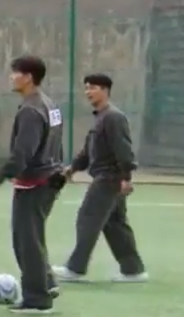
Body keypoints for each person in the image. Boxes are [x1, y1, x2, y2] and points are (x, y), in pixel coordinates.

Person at [0, 55, 65, 314]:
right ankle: (47, 283)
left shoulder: (30, 110)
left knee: (26, 241)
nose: (11, 77)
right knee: (34, 237)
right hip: (50, 178)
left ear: (28, 77)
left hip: (35, 183)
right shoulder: (50, 104)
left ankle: (37, 298)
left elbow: (22, 154)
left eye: (15, 72)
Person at [53, 73, 148, 284]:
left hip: (109, 178)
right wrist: (72, 169)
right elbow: (88, 150)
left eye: (93, 87)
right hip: (107, 177)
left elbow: (123, 149)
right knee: (115, 224)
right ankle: (133, 270)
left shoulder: (113, 117)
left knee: (87, 218)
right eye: (86, 87)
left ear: (105, 91)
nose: (88, 92)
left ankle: (75, 268)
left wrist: (126, 177)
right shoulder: (101, 117)